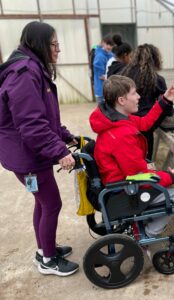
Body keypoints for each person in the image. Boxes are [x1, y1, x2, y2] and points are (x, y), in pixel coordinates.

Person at [0, 21, 79, 276]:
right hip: (28, 155)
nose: (58, 50)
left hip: (29, 152)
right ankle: (48, 260)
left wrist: (67, 137)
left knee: (43, 203)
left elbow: (44, 117)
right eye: (54, 44)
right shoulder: (24, 72)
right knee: (52, 204)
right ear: (41, 44)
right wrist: (59, 151)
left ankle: (45, 248)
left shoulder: (32, 67)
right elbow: (31, 124)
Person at [89, 75, 174, 237]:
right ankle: (144, 234)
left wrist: (164, 100)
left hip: (118, 185)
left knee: (160, 181)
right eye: (134, 93)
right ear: (122, 100)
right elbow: (139, 177)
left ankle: (140, 225)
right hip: (124, 192)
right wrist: (169, 177)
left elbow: (145, 123)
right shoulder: (122, 135)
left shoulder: (116, 120)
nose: (139, 97)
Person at [121, 44, 171, 160]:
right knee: (145, 159)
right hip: (145, 127)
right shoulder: (157, 79)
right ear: (155, 60)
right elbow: (167, 109)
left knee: (126, 157)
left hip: (123, 123)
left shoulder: (122, 75)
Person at [93, 35, 114, 104]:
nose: (109, 47)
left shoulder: (111, 54)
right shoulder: (100, 56)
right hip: (101, 90)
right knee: (102, 112)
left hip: (110, 89)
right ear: (103, 43)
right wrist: (107, 77)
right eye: (108, 44)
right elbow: (101, 76)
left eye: (111, 45)